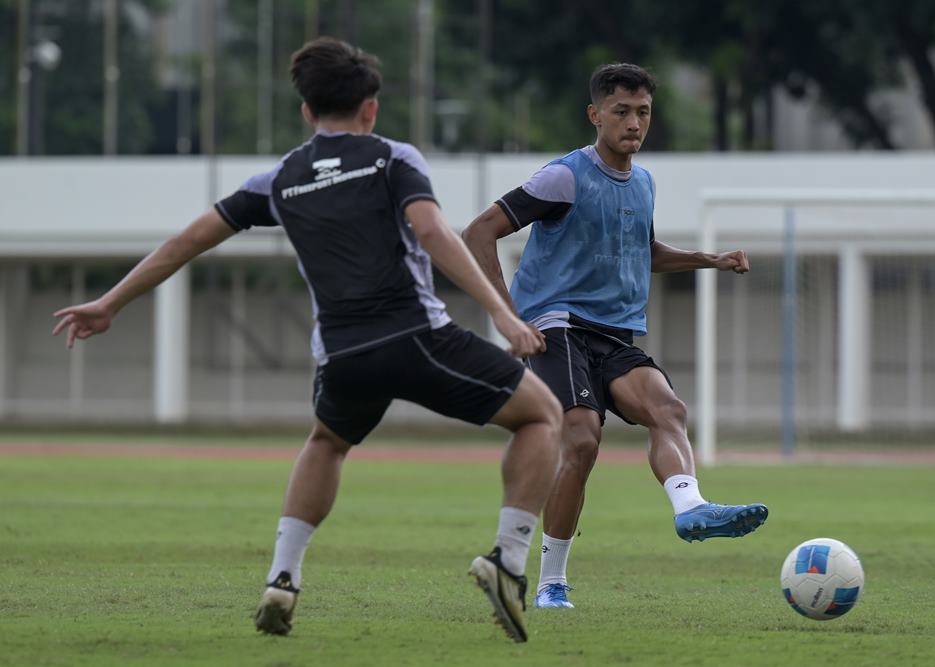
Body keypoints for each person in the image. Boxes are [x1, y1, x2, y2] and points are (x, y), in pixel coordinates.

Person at [51, 37, 561, 643]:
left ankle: (282, 578)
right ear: (370, 107)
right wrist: (500, 314)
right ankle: (507, 560)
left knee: (327, 442)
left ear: (306, 111)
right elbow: (431, 231)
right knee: (542, 416)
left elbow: (186, 242)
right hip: (415, 337)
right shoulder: (393, 158)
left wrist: (109, 302)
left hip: (341, 355)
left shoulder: (281, 178)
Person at [462, 63, 768, 610]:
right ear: (595, 114)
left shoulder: (644, 182)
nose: (634, 123)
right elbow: (480, 231)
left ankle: (690, 506)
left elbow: (643, 253)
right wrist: (508, 318)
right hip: (558, 326)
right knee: (581, 442)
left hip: (613, 334)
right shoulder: (565, 177)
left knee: (668, 409)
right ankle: (552, 583)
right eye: (622, 111)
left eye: (643, 112)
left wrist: (709, 259)